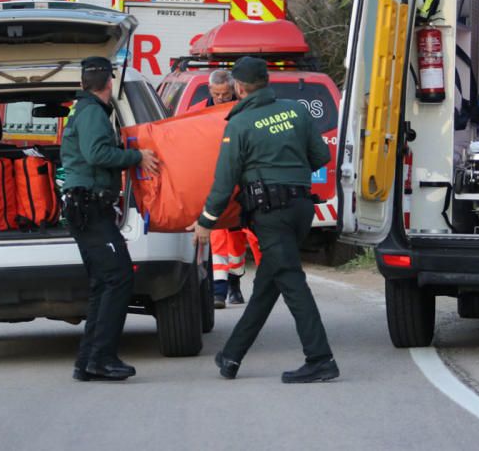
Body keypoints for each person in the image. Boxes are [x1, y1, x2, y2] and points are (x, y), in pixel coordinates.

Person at [186, 56, 338, 383]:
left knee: (292, 282)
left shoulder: (239, 124)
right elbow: (321, 156)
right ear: (267, 81)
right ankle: (231, 356)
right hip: (301, 209)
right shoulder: (296, 111)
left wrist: (206, 221)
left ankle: (320, 358)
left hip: (271, 215)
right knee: (267, 285)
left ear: (239, 88)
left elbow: (224, 182)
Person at [62, 56, 160, 382]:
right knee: (118, 279)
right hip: (90, 209)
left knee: (104, 283)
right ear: (108, 84)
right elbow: (96, 154)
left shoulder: (82, 109)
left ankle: (88, 361)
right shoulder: (91, 112)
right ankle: (102, 358)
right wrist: (136, 157)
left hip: (86, 208)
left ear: (83, 83)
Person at [191, 68, 262, 308]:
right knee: (218, 234)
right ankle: (219, 291)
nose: (221, 98)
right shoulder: (197, 112)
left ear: (233, 90)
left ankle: (235, 282)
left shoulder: (244, 110)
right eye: (217, 94)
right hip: (215, 181)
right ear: (209, 90)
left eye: (225, 94)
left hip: (242, 183)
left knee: (240, 240)